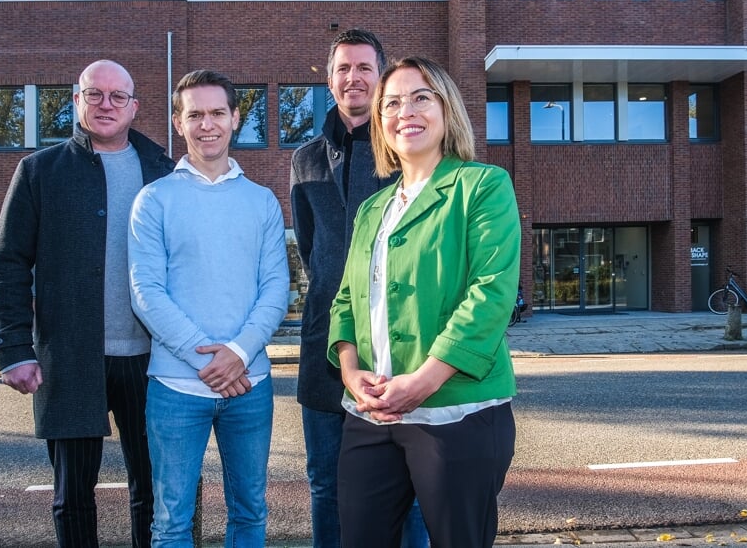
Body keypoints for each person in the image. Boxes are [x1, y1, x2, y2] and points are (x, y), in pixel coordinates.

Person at [328, 56, 521, 547]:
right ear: (379, 121)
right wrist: (351, 374)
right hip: (369, 415)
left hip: (456, 415)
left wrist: (425, 381)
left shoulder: (483, 186)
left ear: (446, 110)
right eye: (391, 102)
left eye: (420, 97)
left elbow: (491, 293)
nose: (404, 111)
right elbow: (346, 300)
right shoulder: (373, 208)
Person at [0, 59, 174, 548]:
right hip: (70, 357)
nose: (106, 104)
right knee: (72, 494)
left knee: (158, 490)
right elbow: (8, 263)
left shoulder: (165, 171)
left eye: (118, 96)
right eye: (95, 94)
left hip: (152, 360)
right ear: (77, 101)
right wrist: (13, 349)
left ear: (135, 106)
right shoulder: (38, 172)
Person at [128, 69, 289, 547]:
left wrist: (239, 353)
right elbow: (146, 291)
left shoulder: (261, 201)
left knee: (249, 512)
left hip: (250, 386)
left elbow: (276, 287)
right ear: (178, 123)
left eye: (217, 112)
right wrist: (213, 361)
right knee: (172, 522)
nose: (207, 124)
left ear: (236, 119)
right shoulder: (154, 199)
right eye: (194, 114)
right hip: (176, 389)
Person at [290, 28, 428, 547]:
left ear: (382, 78)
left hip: (399, 348)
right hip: (326, 350)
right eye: (343, 69)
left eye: (364, 68)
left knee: (407, 489)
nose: (353, 78)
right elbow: (312, 248)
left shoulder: (406, 151)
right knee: (326, 483)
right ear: (330, 81)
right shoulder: (304, 160)